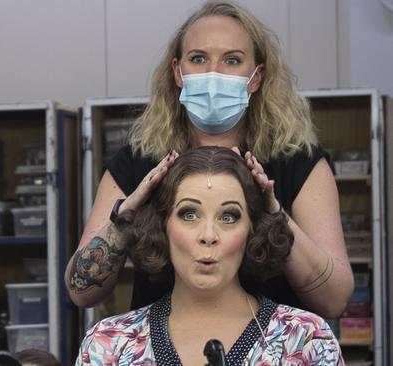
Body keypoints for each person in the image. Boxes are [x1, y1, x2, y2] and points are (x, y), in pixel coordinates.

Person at [65, 0, 353, 319]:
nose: (213, 73)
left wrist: (274, 214)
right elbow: (81, 292)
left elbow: (335, 300)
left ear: (256, 77)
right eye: (198, 58)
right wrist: (123, 218)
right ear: (178, 72)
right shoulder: (138, 162)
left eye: (232, 60)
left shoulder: (297, 162)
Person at [76, 146, 344, 365]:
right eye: (189, 214)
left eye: (229, 217)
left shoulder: (305, 340)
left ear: (253, 230)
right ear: (162, 227)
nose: (208, 234)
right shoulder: (108, 345)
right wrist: (122, 218)